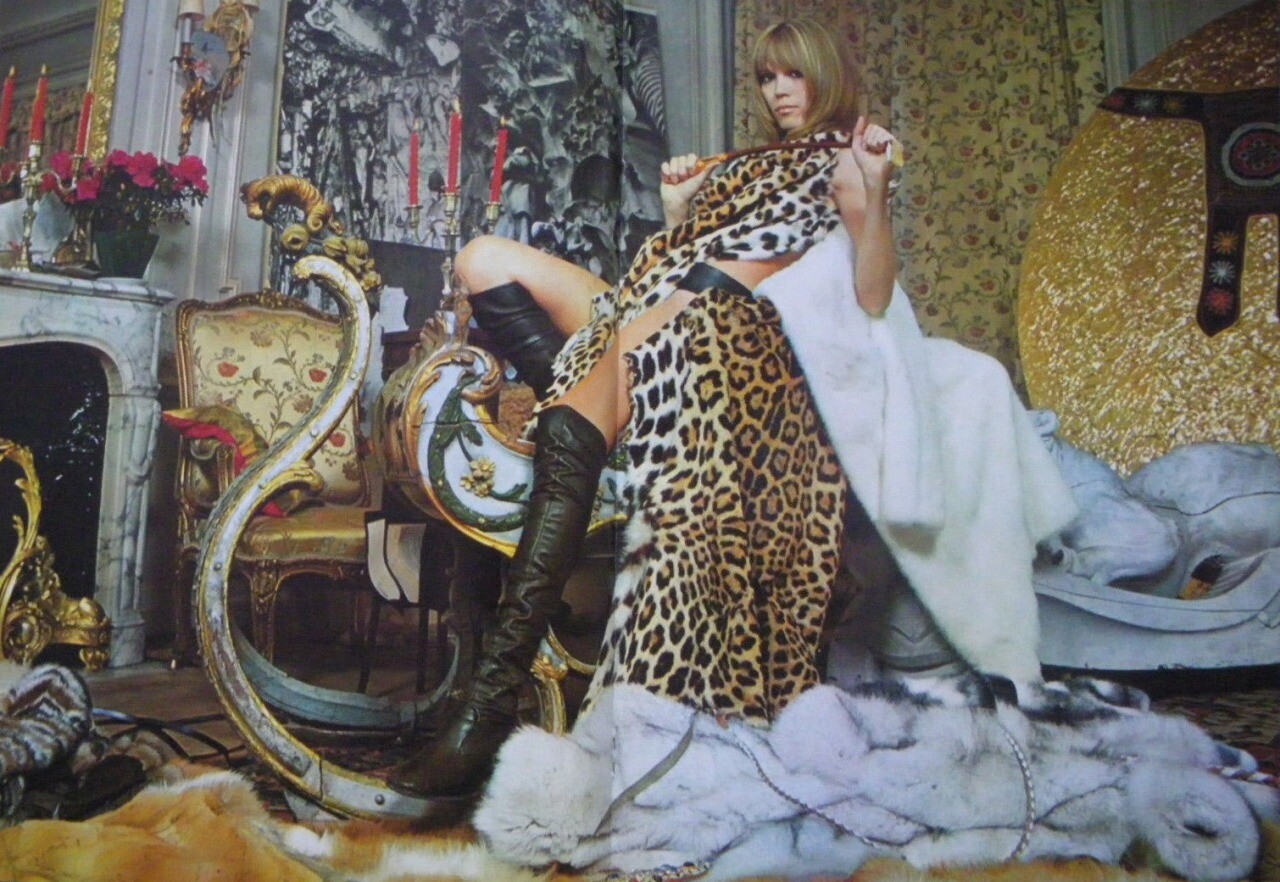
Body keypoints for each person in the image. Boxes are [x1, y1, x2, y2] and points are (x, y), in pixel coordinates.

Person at [390, 19, 1061, 801]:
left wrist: (875, 194)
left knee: (592, 395)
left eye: (793, 75)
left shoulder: (850, 157)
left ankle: (487, 704)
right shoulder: (748, 165)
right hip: (653, 310)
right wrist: (679, 209)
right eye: (767, 77)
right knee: (482, 259)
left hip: (724, 341)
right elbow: (676, 260)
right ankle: (598, 414)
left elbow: (873, 293)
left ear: (826, 74)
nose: (778, 92)